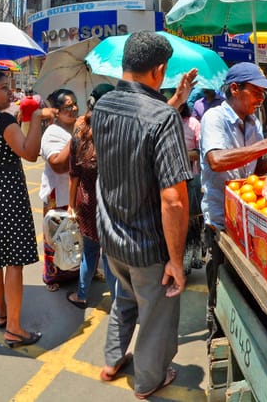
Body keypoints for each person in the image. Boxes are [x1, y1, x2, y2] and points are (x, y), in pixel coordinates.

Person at [92, 31, 192, 397]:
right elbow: (174, 200)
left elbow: (134, 140)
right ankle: (149, 380)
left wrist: (175, 101)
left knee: (124, 298)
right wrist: (177, 262)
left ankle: (112, 360)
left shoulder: (102, 106)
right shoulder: (162, 118)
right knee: (156, 315)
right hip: (148, 242)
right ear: (160, 70)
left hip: (112, 235)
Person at [199, 63, 267, 338]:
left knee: (245, 289)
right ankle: (215, 339)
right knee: (219, 286)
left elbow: (256, 167)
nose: (261, 100)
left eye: (263, 95)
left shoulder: (253, 122)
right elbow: (217, 160)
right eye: (256, 93)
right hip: (221, 221)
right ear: (235, 89)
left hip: (248, 219)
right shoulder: (214, 118)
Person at [0, 70, 57, 347]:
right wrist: (36, 119)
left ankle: (3, 313)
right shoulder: (3, 119)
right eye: (4, 88)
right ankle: (15, 328)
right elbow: (29, 153)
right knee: (14, 260)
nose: (10, 92)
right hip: (8, 190)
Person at [67, 83, 118, 309]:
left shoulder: (80, 130)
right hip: (110, 201)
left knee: (89, 251)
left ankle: (81, 294)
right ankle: (118, 302)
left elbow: (73, 173)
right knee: (109, 255)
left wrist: (71, 206)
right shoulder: (116, 131)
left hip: (86, 202)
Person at [39, 88, 80, 291]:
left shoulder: (77, 126)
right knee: (56, 236)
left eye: (74, 104)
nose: (73, 109)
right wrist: (77, 136)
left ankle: (77, 270)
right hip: (58, 193)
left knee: (75, 235)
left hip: (77, 192)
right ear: (56, 111)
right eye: (67, 107)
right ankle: (52, 276)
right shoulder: (52, 133)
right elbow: (57, 164)